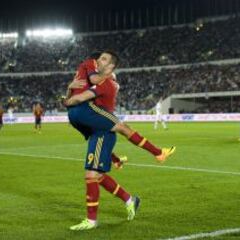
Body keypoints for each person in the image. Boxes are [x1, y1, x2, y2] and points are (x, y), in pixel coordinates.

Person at [66, 50, 175, 163]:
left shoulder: (88, 76)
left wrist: (68, 94)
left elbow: (74, 94)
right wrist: (108, 73)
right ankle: (158, 153)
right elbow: (91, 85)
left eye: (103, 59)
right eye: (100, 59)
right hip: (87, 109)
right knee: (123, 128)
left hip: (74, 113)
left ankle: (115, 160)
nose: (99, 61)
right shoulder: (98, 72)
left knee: (100, 137)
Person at [65, 69, 140, 231]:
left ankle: (91, 220)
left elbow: (76, 100)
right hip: (98, 130)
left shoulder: (106, 85)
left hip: (104, 131)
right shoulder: (95, 88)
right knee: (97, 176)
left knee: (91, 175)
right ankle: (129, 200)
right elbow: (71, 101)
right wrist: (69, 88)